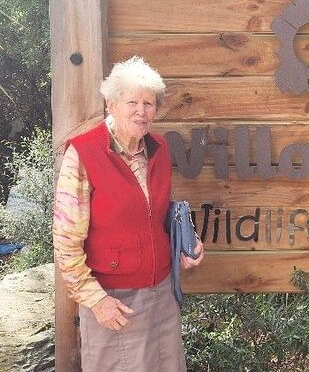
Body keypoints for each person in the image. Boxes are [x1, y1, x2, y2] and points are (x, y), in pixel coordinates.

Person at [53, 56, 205, 371]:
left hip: (161, 294)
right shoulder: (83, 153)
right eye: (132, 102)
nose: (141, 111)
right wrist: (96, 300)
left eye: (149, 103)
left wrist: (181, 247)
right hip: (114, 301)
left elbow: (157, 217)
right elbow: (66, 241)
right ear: (111, 104)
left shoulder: (159, 149)